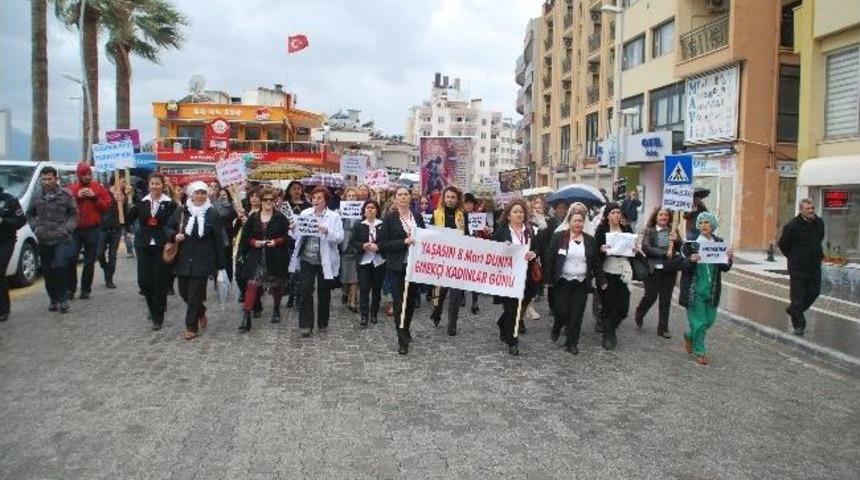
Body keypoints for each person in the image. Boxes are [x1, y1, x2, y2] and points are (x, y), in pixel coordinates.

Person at [167, 181, 226, 340]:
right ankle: (201, 310)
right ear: (190, 194)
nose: (200, 196)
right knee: (183, 292)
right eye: (197, 193)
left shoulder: (212, 213)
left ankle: (191, 327)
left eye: (203, 193)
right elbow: (168, 228)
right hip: (183, 258)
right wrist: (174, 235)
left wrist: (220, 264)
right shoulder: (181, 211)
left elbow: (218, 240)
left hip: (203, 260)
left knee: (194, 294)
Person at [544, 211, 605, 354]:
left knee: (577, 314)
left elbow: (596, 262)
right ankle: (557, 325)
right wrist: (548, 279)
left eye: (580, 221)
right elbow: (549, 258)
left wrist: (602, 280)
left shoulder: (590, 240)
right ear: (569, 222)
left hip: (581, 283)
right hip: (563, 281)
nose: (577, 223)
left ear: (584, 223)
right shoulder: (560, 237)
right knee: (562, 311)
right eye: (575, 220)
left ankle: (571, 343)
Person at [678, 211, 733, 365]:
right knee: (700, 323)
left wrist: (729, 259)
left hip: (712, 290)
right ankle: (700, 351)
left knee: (709, 321)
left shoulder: (718, 244)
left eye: (707, 222)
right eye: (701, 223)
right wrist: (691, 259)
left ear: (713, 225)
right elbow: (681, 264)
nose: (703, 225)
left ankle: (690, 336)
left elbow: (724, 267)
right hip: (695, 291)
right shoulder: (691, 244)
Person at [289, 186, 344, 338]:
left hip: (324, 260)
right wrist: (293, 229)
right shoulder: (305, 213)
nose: (316, 200)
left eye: (319, 198)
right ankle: (306, 325)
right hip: (307, 257)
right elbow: (296, 236)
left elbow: (340, 237)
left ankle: (323, 323)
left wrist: (327, 231)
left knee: (324, 292)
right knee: (305, 290)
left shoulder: (334, 217)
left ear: (326, 201)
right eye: (314, 198)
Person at [378, 186, 426, 354]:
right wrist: (403, 242)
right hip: (397, 266)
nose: (403, 197)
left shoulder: (417, 217)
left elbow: (425, 238)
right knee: (399, 302)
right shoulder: (390, 219)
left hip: (414, 266)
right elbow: (382, 244)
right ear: (395, 198)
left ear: (410, 197)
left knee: (411, 301)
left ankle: (406, 328)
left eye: (406, 194)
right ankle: (402, 338)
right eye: (400, 195)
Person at [237, 187, 291, 332]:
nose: (268, 202)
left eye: (271, 200)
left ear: (275, 201)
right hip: (257, 257)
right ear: (260, 201)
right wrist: (255, 242)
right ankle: (246, 316)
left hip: (275, 257)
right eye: (265, 200)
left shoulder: (280, 217)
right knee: (252, 284)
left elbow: (287, 237)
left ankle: (276, 308)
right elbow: (245, 237)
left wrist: (276, 241)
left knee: (276, 285)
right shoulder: (254, 218)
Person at [128, 173, 177, 330]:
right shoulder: (142, 203)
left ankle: (158, 315)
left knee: (159, 281)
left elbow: (174, 224)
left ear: (163, 185)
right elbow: (127, 219)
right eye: (152, 184)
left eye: (157, 183)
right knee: (144, 282)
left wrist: (172, 240)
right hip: (144, 245)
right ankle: (152, 307)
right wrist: (123, 200)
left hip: (162, 246)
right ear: (148, 186)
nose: (155, 186)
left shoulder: (170, 204)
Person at [26, 167, 78, 313]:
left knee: (60, 266)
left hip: (61, 238)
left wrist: (67, 228)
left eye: (49, 179)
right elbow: (29, 214)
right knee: (48, 271)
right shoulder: (37, 196)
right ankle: (53, 299)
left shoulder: (66, 195)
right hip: (44, 239)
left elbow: (74, 213)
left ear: (56, 178)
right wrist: (36, 228)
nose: (47, 182)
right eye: (44, 179)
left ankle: (63, 299)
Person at [492, 199, 539, 356]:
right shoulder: (501, 232)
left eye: (521, 211)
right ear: (508, 215)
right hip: (508, 276)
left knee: (524, 302)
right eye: (515, 211)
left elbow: (538, 247)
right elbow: (492, 251)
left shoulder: (530, 230)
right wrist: (503, 249)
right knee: (512, 308)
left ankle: (502, 323)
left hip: (527, 275)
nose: (519, 214)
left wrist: (534, 253)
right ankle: (512, 340)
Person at [778, 198, 825, 336]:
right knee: (798, 297)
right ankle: (799, 324)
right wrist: (794, 257)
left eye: (812, 208)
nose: (811, 211)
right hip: (798, 267)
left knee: (814, 292)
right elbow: (783, 245)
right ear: (801, 210)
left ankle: (793, 310)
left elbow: (820, 238)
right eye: (808, 209)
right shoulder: (792, 226)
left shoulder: (819, 222)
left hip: (815, 265)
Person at [634, 207, 681, 338]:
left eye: (666, 215)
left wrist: (676, 240)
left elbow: (681, 247)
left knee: (665, 300)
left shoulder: (673, 230)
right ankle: (640, 312)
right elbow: (646, 247)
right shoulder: (650, 231)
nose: (663, 217)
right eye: (661, 214)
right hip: (653, 269)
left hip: (669, 269)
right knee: (651, 295)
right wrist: (664, 253)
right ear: (656, 217)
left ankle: (663, 328)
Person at [66, 162, 111, 299]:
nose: (87, 176)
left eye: (89, 174)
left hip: (93, 229)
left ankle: (85, 289)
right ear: (79, 175)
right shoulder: (71, 189)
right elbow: (64, 205)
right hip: (75, 230)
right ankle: (70, 288)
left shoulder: (98, 188)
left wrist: (94, 197)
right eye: (84, 174)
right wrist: (76, 196)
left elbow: (106, 206)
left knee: (89, 261)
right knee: (70, 257)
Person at [594, 203, 635, 350]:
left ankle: (611, 327)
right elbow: (595, 254)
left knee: (623, 308)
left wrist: (634, 249)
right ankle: (608, 335)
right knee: (608, 306)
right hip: (607, 271)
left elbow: (632, 249)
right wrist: (601, 248)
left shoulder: (627, 229)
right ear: (607, 215)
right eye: (613, 213)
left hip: (623, 271)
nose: (616, 215)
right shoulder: (601, 230)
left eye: (618, 212)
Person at [429, 186, 468, 335]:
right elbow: (431, 235)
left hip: (458, 259)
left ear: (457, 199)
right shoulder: (436, 214)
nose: (450, 200)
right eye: (448, 197)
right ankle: (437, 311)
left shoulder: (463, 215)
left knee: (456, 293)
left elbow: (467, 235)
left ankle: (452, 324)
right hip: (441, 259)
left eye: (453, 197)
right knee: (441, 292)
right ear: (443, 199)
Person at [351, 199, 386, 327]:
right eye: (368, 207)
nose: (370, 209)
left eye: (372, 207)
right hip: (364, 261)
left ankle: (374, 314)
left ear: (377, 210)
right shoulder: (358, 224)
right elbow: (353, 241)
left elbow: (387, 242)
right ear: (364, 210)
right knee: (364, 288)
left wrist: (379, 247)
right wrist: (362, 245)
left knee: (377, 289)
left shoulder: (383, 224)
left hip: (379, 261)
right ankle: (364, 315)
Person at [98, 176, 135, 289]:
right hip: (103, 227)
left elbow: (127, 214)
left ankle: (109, 278)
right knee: (99, 253)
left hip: (116, 228)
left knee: (113, 255)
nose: (125, 183)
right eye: (123, 181)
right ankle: (105, 267)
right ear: (117, 180)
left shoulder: (125, 194)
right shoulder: (104, 191)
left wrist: (128, 197)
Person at [0, 185, 27, 322]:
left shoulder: (9, 200)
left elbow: (21, 220)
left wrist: (3, 221)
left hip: (5, 241)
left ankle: (3, 309)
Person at [339, 187, 361, 313]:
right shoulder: (340, 212)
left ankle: (352, 303)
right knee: (345, 276)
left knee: (355, 277)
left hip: (357, 247)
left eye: (354, 196)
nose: (352, 198)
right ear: (345, 197)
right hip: (344, 246)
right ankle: (345, 291)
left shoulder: (362, 212)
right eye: (349, 196)